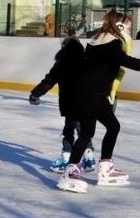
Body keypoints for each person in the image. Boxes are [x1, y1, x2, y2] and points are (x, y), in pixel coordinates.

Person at [57, 11, 140, 193]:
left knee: (101, 129)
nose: (130, 31)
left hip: (89, 93)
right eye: (129, 27)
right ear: (119, 26)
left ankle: (95, 168)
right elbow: (130, 62)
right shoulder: (114, 44)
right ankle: (75, 170)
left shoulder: (95, 41)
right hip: (92, 95)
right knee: (97, 130)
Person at [28, 31, 96, 173]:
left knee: (69, 130)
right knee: (83, 130)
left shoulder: (62, 63)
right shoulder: (87, 61)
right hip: (88, 102)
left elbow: (49, 81)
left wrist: (35, 94)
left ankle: (66, 158)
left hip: (70, 103)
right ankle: (89, 158)